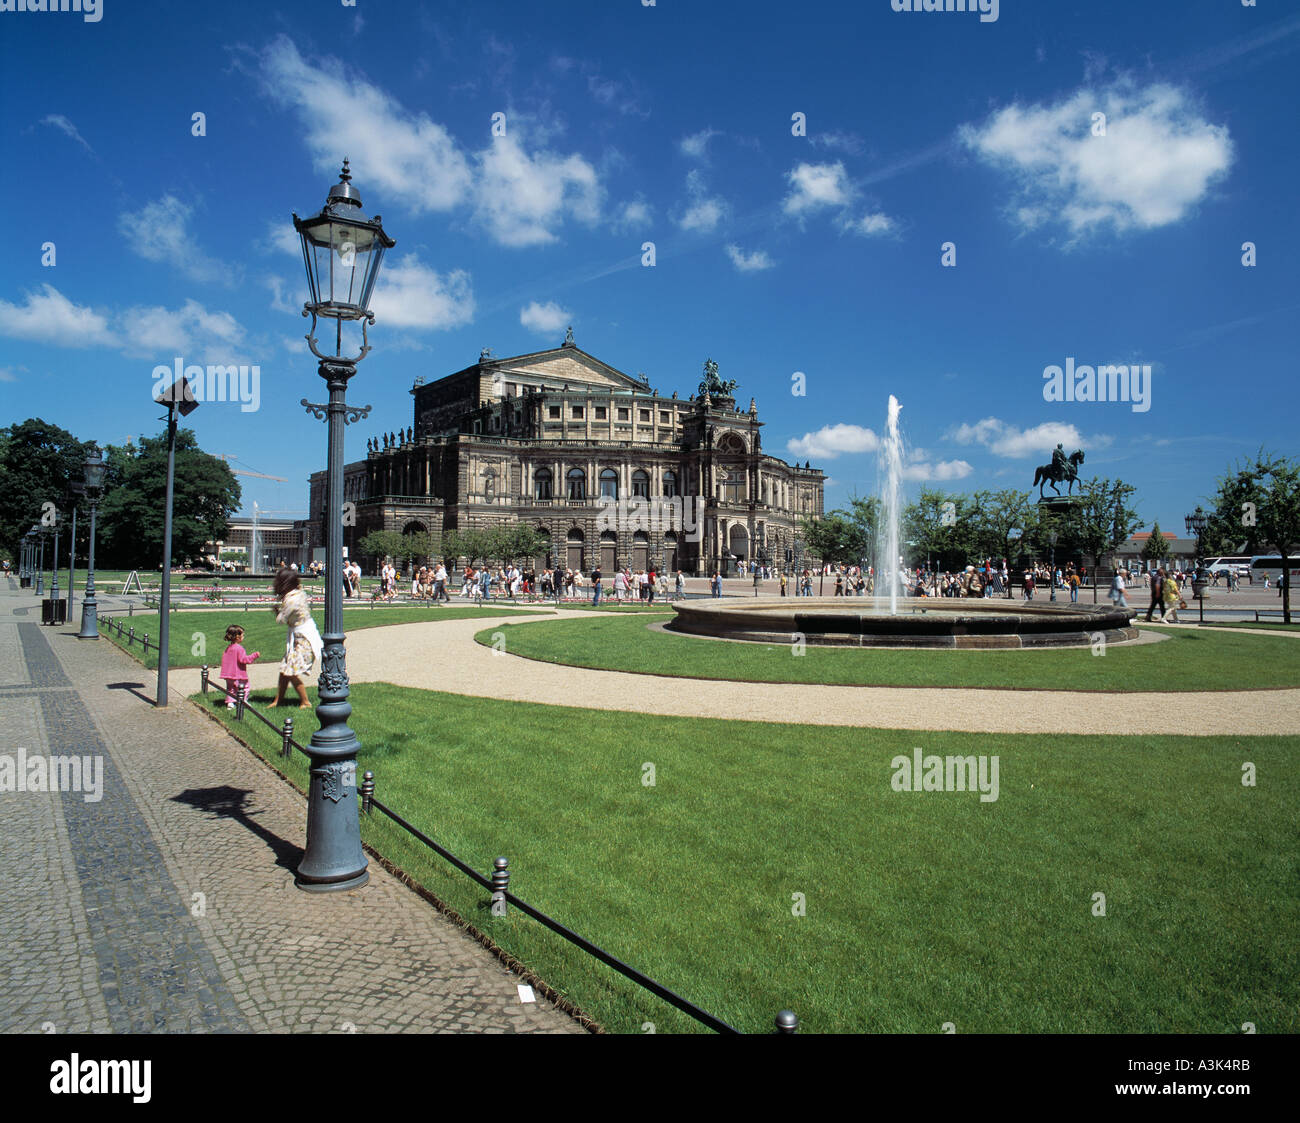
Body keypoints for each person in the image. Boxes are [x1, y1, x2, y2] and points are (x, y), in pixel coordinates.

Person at [268, 567, 321, 709]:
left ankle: (305, 701)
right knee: (285, 669)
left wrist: (277, 612)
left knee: (291, 670)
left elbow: (282, 620)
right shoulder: (298, 593)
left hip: (303, 638)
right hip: (302, 635)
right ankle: (278, 700)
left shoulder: (291, 600)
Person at [220, 625, 260, 709]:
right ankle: (243, 701)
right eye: (243, 635)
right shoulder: (239, 648)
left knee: (231, 689)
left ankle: (230, 703)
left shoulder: (228, 648)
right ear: (237, 637)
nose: (243, 637)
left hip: (228, 674)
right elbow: (244, 660)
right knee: (245, 687)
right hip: (238, 674)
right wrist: (254, 655)